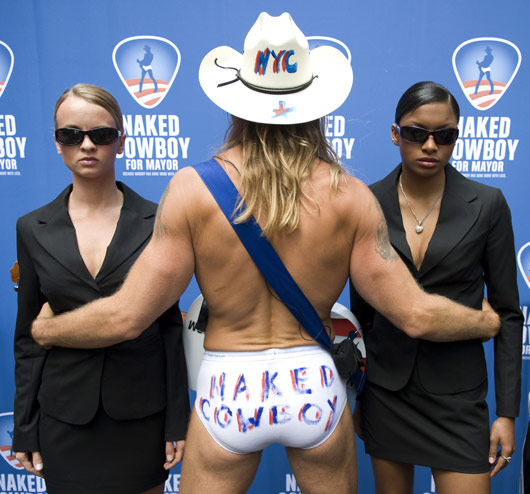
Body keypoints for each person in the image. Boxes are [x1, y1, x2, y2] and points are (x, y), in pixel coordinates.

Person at [31, 15, 500, 494]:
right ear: (314, 104)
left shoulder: (193, 190)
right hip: (313, 388)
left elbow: (126, 318)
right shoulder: (350, 196)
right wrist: (484, 321)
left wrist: (48, 329)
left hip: (230, 388)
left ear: (238, 103)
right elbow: (416, 315)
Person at [12, 83, 189, 494]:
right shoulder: (31, 228)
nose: (87, 145)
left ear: (121, 142)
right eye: (71, 134)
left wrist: (177, 420)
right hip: (63, 415)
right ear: (57, 143)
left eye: (102, 134)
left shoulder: (160, 222)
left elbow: (170, 328)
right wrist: (24, 427)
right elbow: (28, 339)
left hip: (141, 413)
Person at [350, 81, 523, 494]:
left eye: (444, 136)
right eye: (416, 133)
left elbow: (508, 314)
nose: (430, 145)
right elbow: (362, 315)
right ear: (396, 135)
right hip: (386, 391)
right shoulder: (366, 202)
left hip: (458, 396)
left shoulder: (488, 204)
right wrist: (357, 395)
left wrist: (506, 414)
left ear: (456, 138)